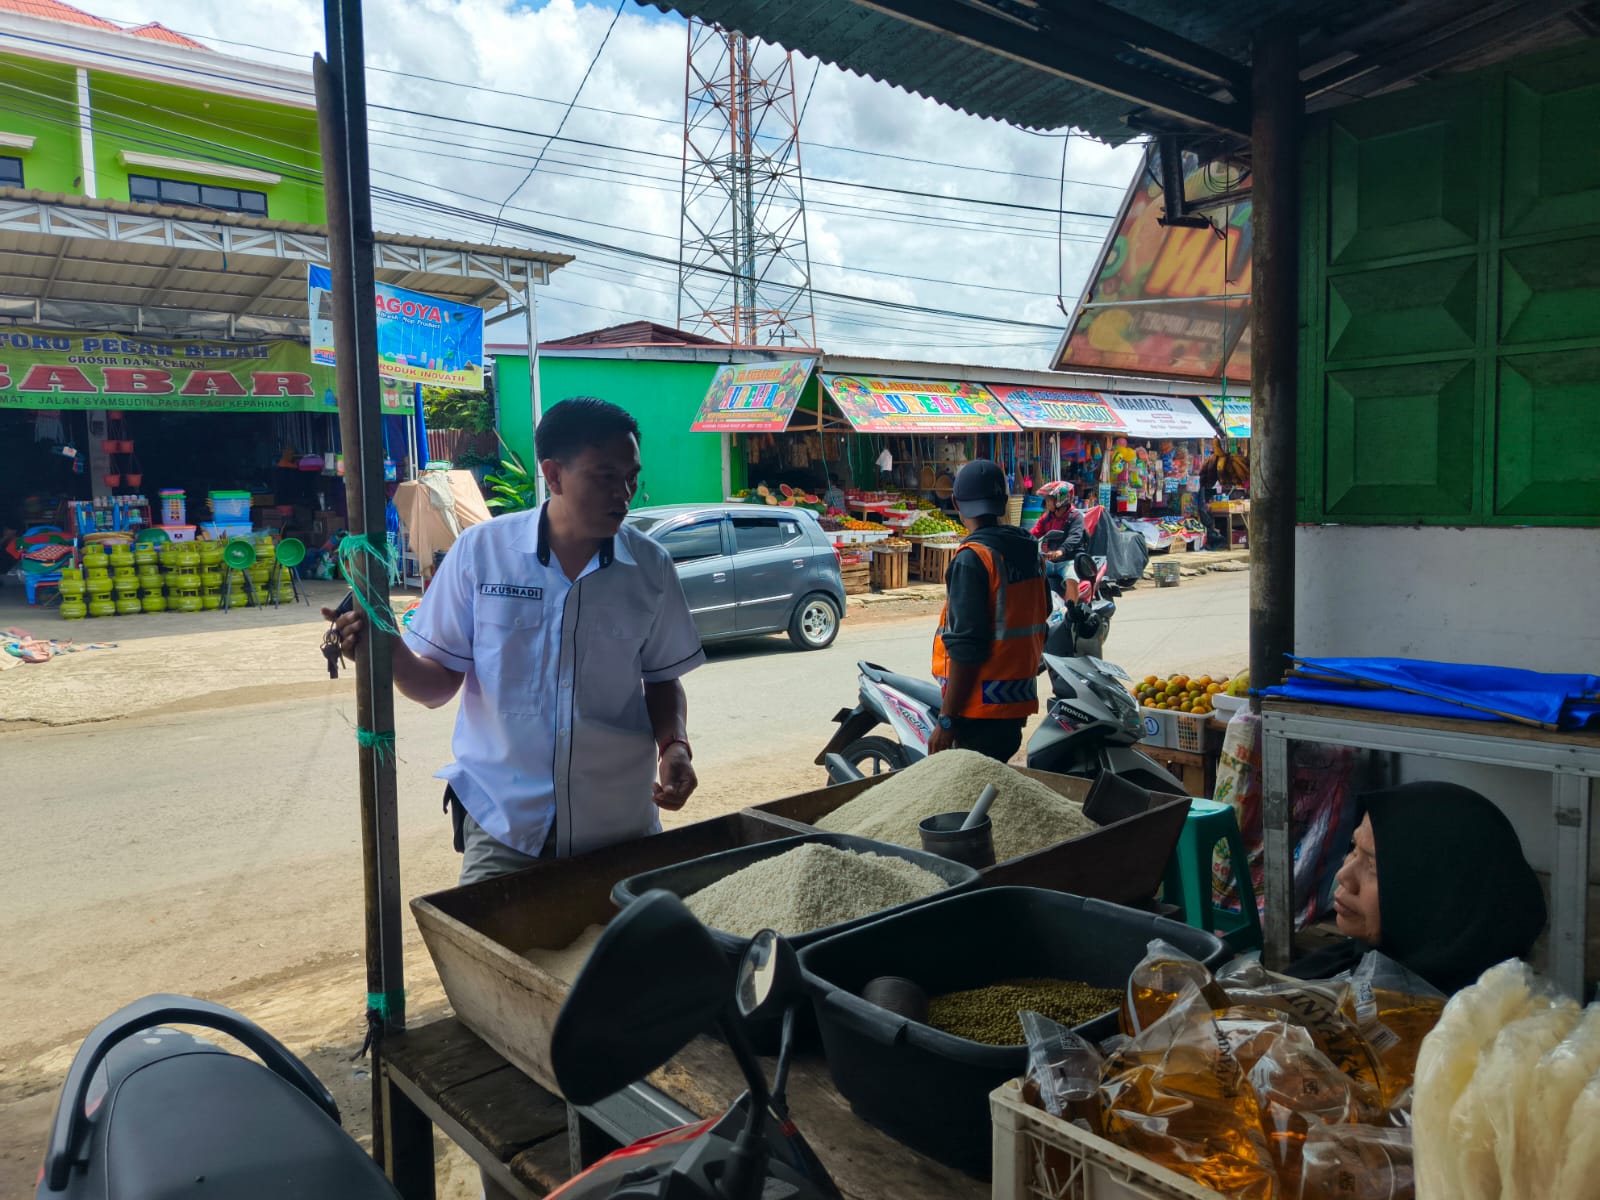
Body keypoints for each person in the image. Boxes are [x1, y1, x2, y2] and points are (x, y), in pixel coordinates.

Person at [322, 396, 704, 885]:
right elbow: (437, 688)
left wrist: (675, 746)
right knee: (485, 951)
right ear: (554, 474)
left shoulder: (650, 569)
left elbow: (661, 678)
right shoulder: (483, 554)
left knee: (627, 956)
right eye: (605, 477)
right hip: (506, 828)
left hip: (621, 824)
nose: (624, 493)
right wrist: (390, 650)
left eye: (631, 477)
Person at [1291, 781, 1548, 994]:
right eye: (1353, 849)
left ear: (1440, 898)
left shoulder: (1456, 1035)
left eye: (1372, 866)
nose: (1344, 875)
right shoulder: (1343, 965)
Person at [928, 460, 1049, 764]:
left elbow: (966, 648)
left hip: (975, 711)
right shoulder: (1029, 551)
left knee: (966, 806)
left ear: (956, 503)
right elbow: (1042, 614)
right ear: (1004, 503)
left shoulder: (973, 559)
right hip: (1015, 706)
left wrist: (946, 721)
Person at [1030, 483, 1085, 596]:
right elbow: (1034, 533)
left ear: (1060, 500)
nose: (1047, 503)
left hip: (1069, 560)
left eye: (1049, 500)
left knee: (1071, 579)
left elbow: (1074, 537)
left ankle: (1071, 611)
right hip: (1050, 561)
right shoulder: (1047, 517)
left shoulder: (1075, 516)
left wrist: (1061, 551)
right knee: (1029, 575)